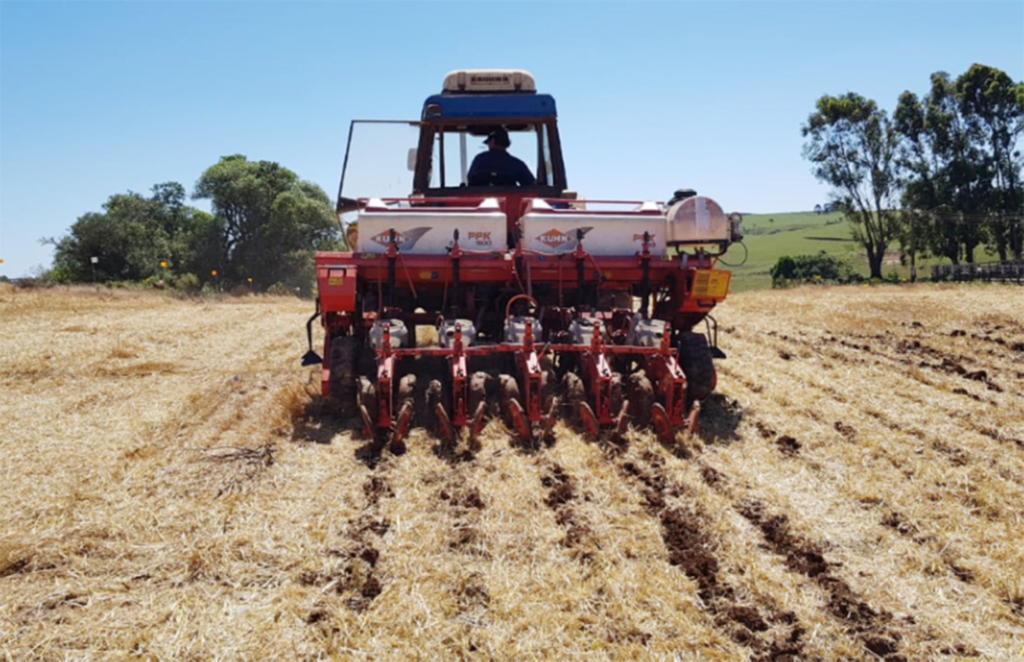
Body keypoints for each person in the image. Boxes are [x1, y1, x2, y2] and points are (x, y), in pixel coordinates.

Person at [467, 127, 536, 186]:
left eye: (488, 142)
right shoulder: (516, 164)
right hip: (511, 201)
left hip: (479, 200)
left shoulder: (479, 160)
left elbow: (470, 179)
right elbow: (532, 185)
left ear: (492, 141)